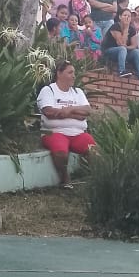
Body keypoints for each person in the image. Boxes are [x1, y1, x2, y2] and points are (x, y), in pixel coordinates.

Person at [36, 60, 95, 190]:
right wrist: (75, 112)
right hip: (55, 132)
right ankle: (64, 178)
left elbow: (87, 112)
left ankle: (97, 179)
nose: (74, 76)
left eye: (74, 73)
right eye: (70, 72)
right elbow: (49, 112)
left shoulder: (78, 92)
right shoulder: (48, 90)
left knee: (94, 151)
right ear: (59, 73)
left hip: (78, 134)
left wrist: (67, 110)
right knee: (61, 153)